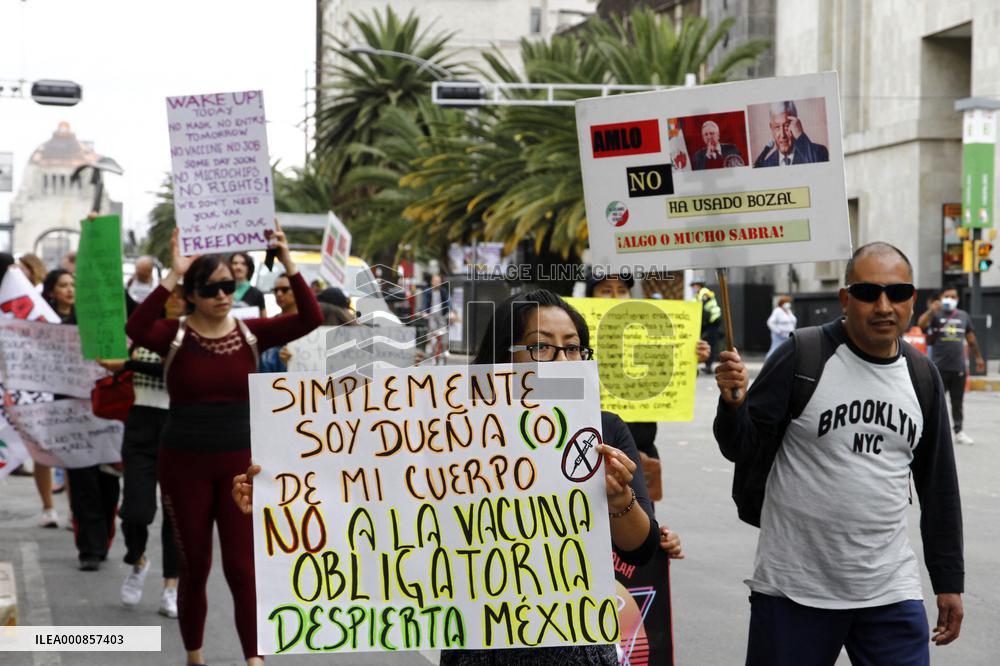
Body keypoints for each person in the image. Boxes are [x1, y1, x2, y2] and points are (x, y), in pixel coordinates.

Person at [233, 289, 660, 665]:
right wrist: (279, 496)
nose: (563, 361)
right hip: (478, 644)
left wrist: (618, 496)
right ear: (501, 355)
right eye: (542, 347)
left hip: (575, 645)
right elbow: (368, 501)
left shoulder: (603, 430)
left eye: (573, 348)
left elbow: (639, 547)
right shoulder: (451, 431)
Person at [713, 242, 964, 665]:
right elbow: (741, 447)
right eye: (868, 293)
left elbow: (938, 484)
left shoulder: (921, 375)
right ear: (846, 299)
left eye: (897, 293)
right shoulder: (802, 354)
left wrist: (948, 580)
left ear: (912, 300)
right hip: (795, 591)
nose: (884, 305)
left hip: (890, 592)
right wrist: (733, 405)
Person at [126, 227, 322, 666]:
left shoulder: (252, 333)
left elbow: (311, 319)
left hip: (241, 470)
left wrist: (288, 259)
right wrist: (172, 275)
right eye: (210, 288)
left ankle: (254, 659)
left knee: (243, 570)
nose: (221, 295)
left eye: (228, 286)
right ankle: (195, 656)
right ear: (192, 294)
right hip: (183, 467)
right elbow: (135, 327)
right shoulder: (172, 335)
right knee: (195, 567)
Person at [585, 272, 690, 562]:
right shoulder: (576, 350)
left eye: (621, 290)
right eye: (606, 290)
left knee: (637, 535)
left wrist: (688, 353)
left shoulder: (646, 336)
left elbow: (672, 377)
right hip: (591, 456)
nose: (616, 297)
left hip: (639, 451)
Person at [43, 268, 121, 570]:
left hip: (104, 412)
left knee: (108, 483)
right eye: (63, 284)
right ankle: (89, 548)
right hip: (70, 414)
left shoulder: (100, 322)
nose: (70, 289)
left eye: (74, 284)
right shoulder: (45, 324)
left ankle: (102, 539)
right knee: (83, 480)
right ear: (51, 290)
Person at [98, 344, 179, 618]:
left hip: (179, 422)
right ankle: (138, 559)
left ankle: (171, 586)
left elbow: (174, 370)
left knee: (176, 513)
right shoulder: (145, 331)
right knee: (135, 510)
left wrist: (128, 364)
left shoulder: (192, 329)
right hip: (140, 423)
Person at [917, 287, 986, 445]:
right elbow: (921, 325)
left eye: (953, 296)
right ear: (941, 298)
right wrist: (930, 311)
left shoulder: (963, 316)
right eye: (946, 296)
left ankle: (959, 431)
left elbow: (971, 338)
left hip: (958, 367)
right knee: (935, 402)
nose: (950, 298)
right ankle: (930, 432)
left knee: (957, 402)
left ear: (957, 299)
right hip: (939, 367)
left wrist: (979, 358)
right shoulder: (935, 315)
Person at [753, 101, 829, 167]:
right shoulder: (767, 164)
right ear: (771, 128)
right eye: (777, 127)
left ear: (795, 125)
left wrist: (800, 135)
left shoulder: (819, 152)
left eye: (787, 126)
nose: (782, 135)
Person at [258, 273, 297, 373]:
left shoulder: (309, 323)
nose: (279, 294)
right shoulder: (270, 324)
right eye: (275, 290)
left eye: (284, 289)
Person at [692, 279, 722, 374]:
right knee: (705, 342)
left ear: (699, 285)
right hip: (707, 322)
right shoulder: (698, 295)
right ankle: (706, 365)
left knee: (710, 343)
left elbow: (703, 304)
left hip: (712, 321)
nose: (693, 288)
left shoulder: (704, 292)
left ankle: (709, 366)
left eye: (695, 286)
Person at [229, 251, 265, 315]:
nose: (238, 267)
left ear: (249, 268)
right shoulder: (223, 292)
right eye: (235, 263)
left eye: (243, 264)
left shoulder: (257, 294)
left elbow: (264, 320)